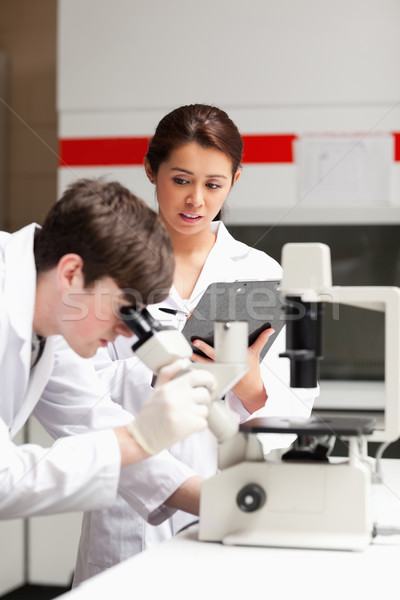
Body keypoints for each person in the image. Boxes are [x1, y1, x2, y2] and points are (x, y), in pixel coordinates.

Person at [73, 105, 319, 584]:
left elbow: (296, 414)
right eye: (181, 180)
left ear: (235, 180)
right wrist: (158, 369)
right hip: (128, 514)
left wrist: (251, 387)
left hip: (226, 495)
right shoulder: (107, 268)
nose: (196, 201)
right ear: (151, 170)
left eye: (213, 185)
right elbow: (74, 392)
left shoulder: (262, 275)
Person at [0, 177, 217, 519]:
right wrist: (139, 437)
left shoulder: (55, 318)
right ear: (71, 273)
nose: (123, 331)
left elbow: (93, 419)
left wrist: (223, 504)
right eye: (122, 309)